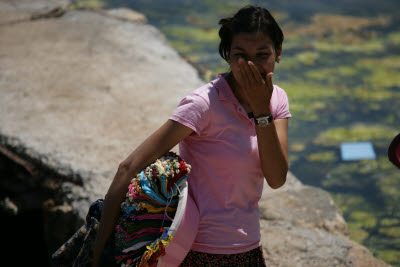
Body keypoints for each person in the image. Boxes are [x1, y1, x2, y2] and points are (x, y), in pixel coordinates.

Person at [92, 5, 291, 266]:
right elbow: (129, 166)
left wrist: (262, 111)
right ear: (228, 56)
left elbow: (276, 178)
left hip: (250, 249)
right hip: (195, 250)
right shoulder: (203, 104)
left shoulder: (277, 100)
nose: (251, 66)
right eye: (241, 56)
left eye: (262, 54)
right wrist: (98, 254)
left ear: (278, 53)